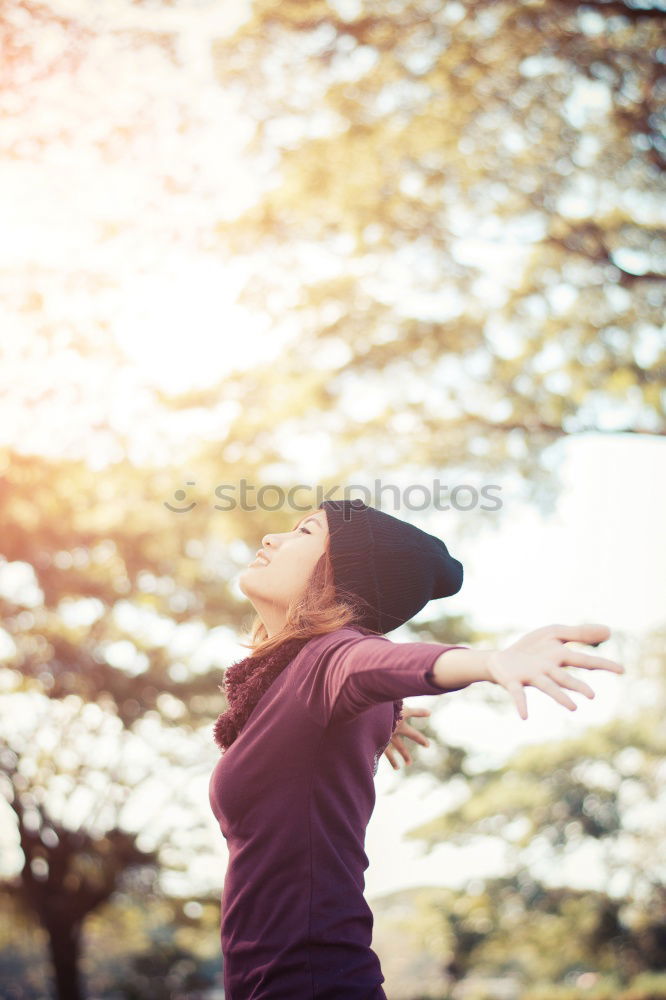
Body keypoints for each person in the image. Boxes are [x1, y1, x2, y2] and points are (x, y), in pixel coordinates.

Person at [208, 498, 624, 999]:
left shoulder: (327, 657)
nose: (271, 538)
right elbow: (359, 685)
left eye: (304, 532)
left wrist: (490, 662)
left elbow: (373, 663)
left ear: (340, 574)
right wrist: (371, 720)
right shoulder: (290, 687)